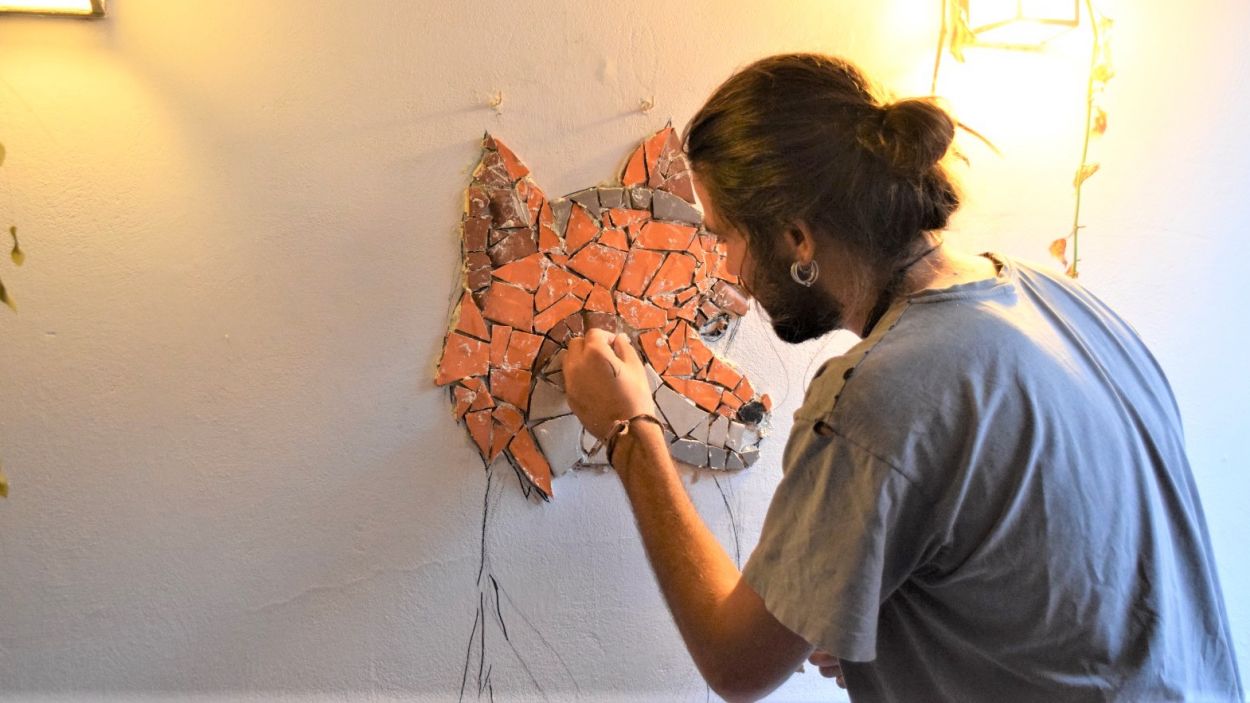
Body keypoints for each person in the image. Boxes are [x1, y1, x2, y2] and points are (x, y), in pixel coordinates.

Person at [562, 53, 1243, 702]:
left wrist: (630, 430)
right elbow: (1054, 581)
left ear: (796, 237)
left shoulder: (877, 396)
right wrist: (892, 621)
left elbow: (736, 661)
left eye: (725, 237)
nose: (729, 273)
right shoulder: (1059, 300)